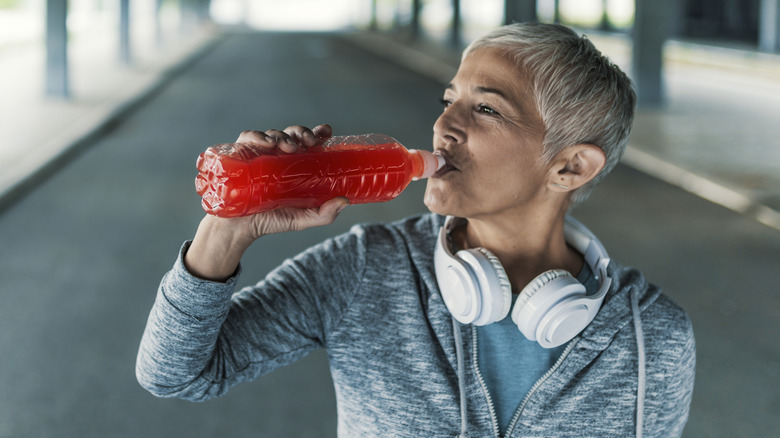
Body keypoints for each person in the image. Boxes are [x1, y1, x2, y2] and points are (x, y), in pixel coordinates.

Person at [136, 22, 695, 437]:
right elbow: (176, 374)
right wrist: (228, 229)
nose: (444, 126)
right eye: (449, 101)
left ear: (569, 167)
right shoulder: (362, 269)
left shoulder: (653, 339)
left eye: (487, 111)